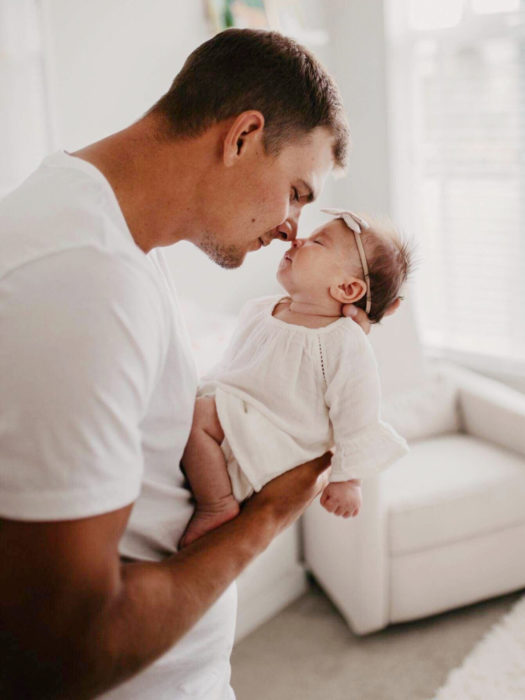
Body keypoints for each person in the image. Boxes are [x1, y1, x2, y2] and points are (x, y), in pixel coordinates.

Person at [0, 28, 399, 700]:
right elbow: (66, 650)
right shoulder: (85, 277)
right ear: (243, 136)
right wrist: (268, 514)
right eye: (297, 191)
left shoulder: (104, 231)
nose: (292, 227)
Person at [180, 209, 411, 548]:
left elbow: (357, 412)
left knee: (197, 419)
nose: (299, 238)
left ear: (347, 287)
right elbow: (235, 365)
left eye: (318, 241)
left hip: (282, 435)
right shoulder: (261, 309)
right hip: (242, 413)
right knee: (193, 405)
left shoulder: (343, 341)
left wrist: (348, 479)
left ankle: (216, 505)